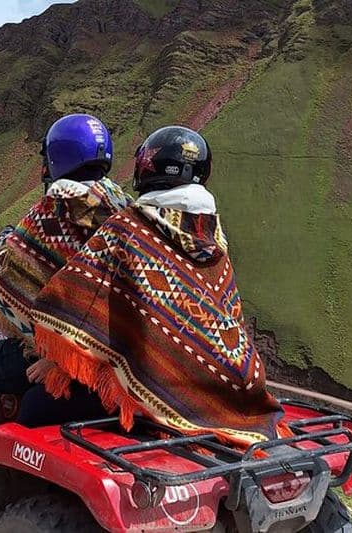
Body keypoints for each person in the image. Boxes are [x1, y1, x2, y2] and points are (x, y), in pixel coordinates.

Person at [31, 125, 287, 448]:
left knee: (31, 410)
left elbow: (84, 305)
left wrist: (54, 362)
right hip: (226, 388)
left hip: (149, 397)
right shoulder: (214, 238)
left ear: (146, 169)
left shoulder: (127, 229)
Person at [0, 114, 132, 530]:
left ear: (57, 159)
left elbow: (9, 290)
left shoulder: (53, 211)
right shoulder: (126, 209)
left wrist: (7, 248)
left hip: (65, 366)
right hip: (118, 361)